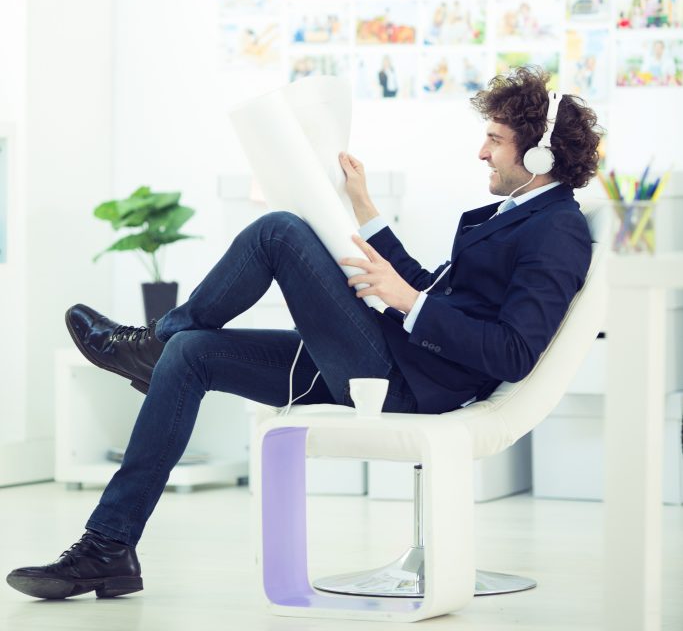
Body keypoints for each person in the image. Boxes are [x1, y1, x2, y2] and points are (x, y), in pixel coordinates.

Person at [6, 66, 601, 601]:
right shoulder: (514, 214)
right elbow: (429, 288)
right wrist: (366, 212)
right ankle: (109, 547)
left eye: (494, 140)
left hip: (408, 384)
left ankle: (150, 342)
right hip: (391, 356)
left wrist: (411, 302)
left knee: (279, 233)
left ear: (542, 156)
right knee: (191, 356)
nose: (482, 152)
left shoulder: (558, 232)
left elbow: (514, 352)